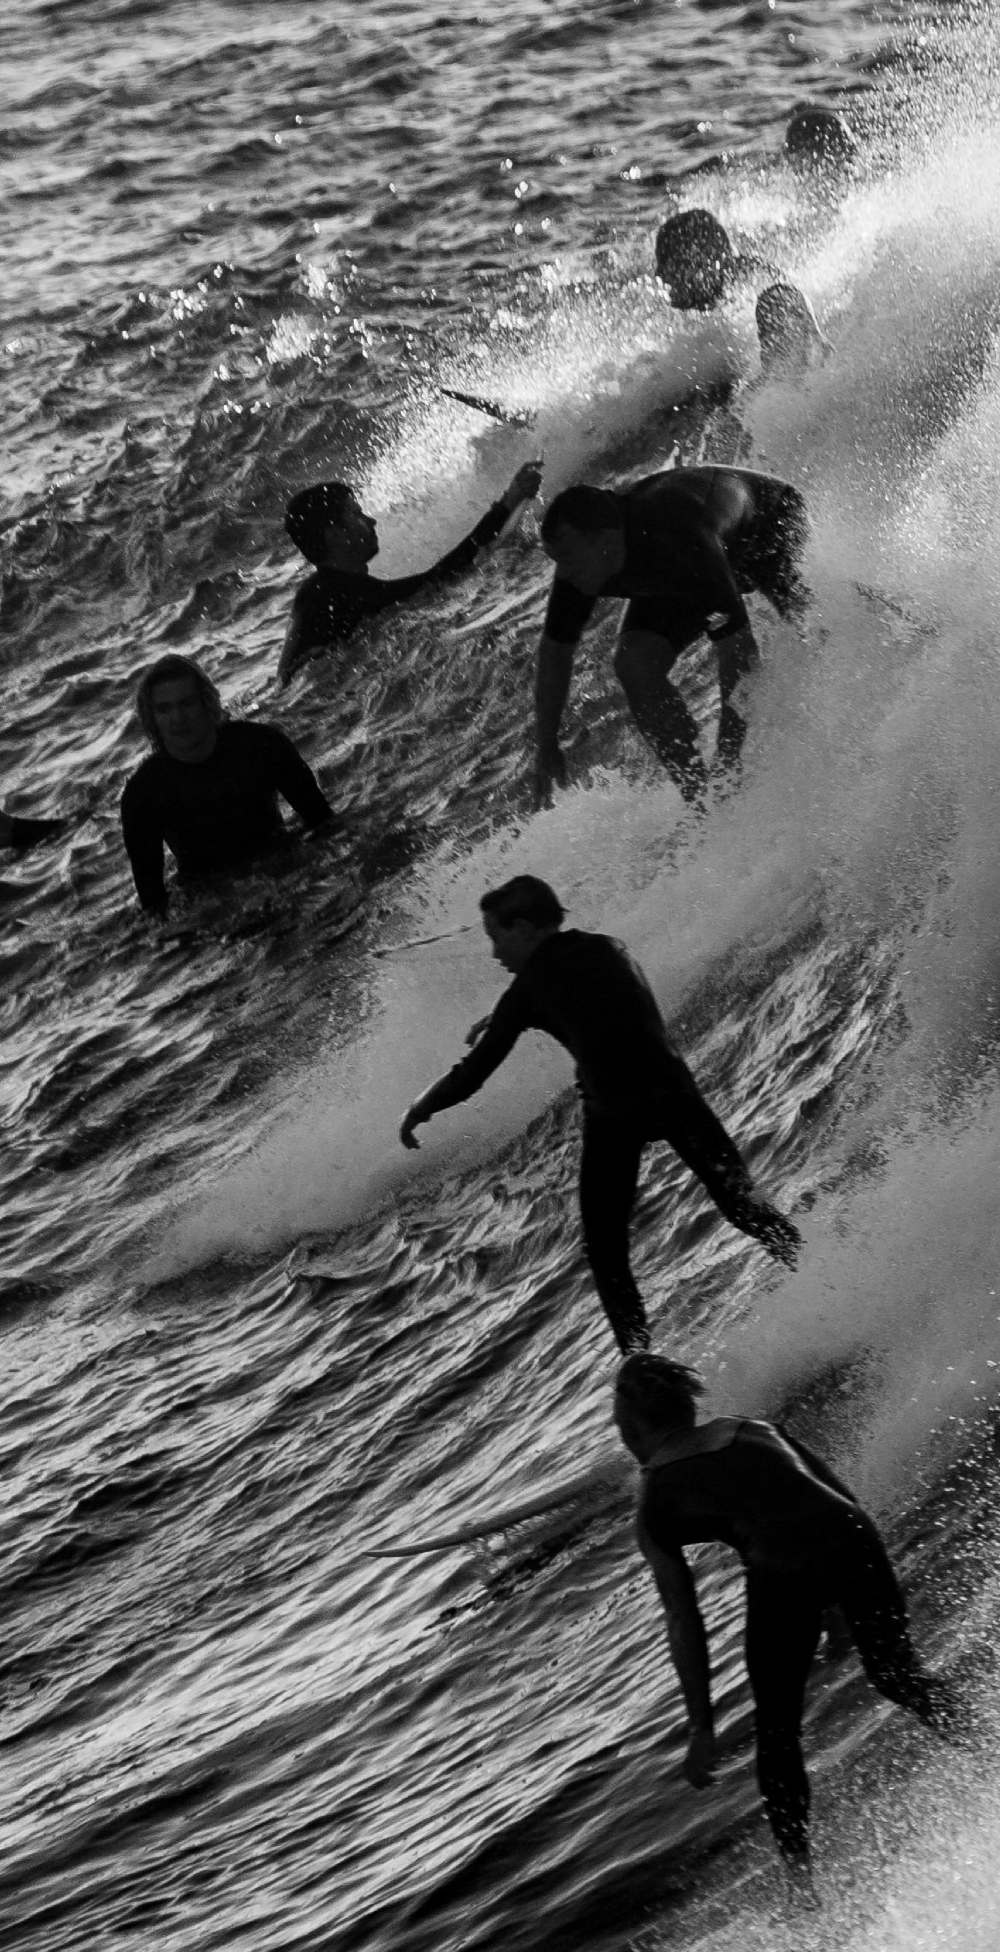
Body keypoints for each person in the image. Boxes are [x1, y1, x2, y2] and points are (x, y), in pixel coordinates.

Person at [397, 875, 797, 1348]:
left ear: (523, 927)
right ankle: (807, 1262)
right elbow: (598, 1002)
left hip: (615, 1116)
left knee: (607, 1254)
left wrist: (419, 1108)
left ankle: (639, 1361)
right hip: (672, 1092)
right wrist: (507, 1012)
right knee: (740, 1202)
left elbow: (472, 1073)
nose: (494, 953)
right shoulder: (610, 947)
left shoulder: (525, 993)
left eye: (496, 937)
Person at [613, 1351, 954, 1868]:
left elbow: (685, 1621)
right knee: (895, 1675)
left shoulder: (654, 1500)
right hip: (854, 1534)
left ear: (628, 1423)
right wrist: (834, 1607)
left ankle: (800, 1888)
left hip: (782, 1563)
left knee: (777, 1732)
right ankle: (993, 1744)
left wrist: (702, 1727)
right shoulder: (752, 1427)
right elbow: (837, 1500)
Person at [530, 465, 809, 801]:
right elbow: (556, 650)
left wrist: (729, 758)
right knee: (635, 663)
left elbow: (738, 652)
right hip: (688, 564)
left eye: (567, 558)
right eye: (555, 559)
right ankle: (698, 798)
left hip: (768, 522)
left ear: (605, 541)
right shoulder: (579, 567)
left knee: (810, 629)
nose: (561, 572)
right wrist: (546, 743)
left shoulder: (679, 538)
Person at [278, 458, 543, 683]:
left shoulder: (314, 593)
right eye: (356, 515)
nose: (370, 521)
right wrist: (507, 503)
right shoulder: (340, 593)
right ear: (335, 535)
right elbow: (439, 580)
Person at [119, 655, 339, 919]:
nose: (177, 718)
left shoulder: (260, 745)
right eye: (164, 709)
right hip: (210, 898)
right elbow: (153, 903)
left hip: (281, 864)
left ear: (206, 703)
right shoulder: (143, 793)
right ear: (151, 718)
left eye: (187, 703)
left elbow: (324, 824)